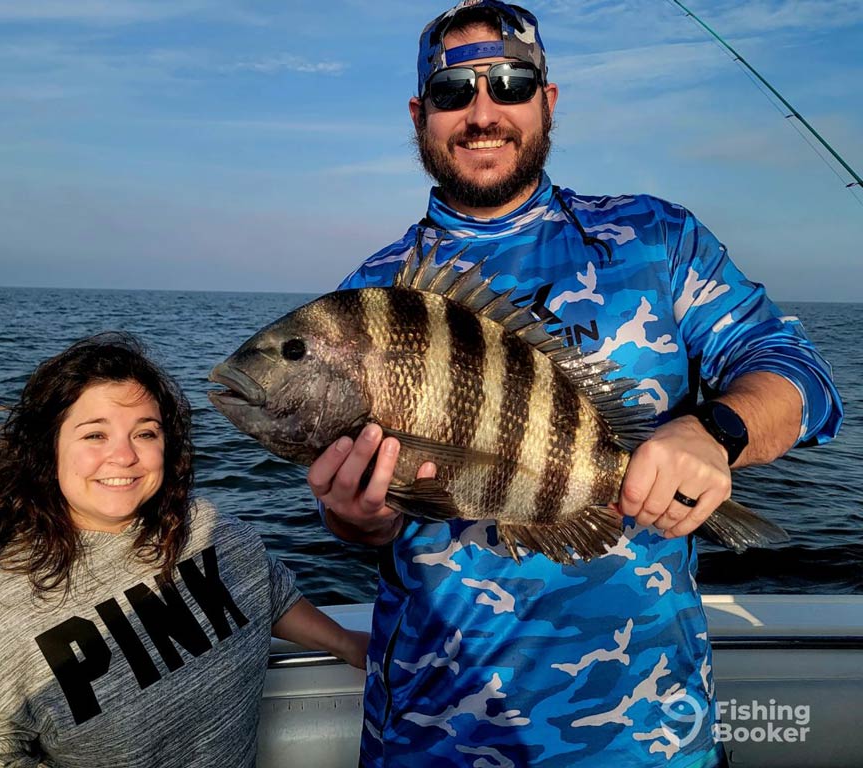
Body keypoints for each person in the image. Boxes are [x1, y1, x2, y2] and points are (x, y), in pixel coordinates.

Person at [306, 3, 843, 767]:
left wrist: (716, 432)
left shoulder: (655, 239)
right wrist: (356, 519)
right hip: (432, 739)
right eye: (454, 92)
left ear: (547, 101)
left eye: (510, 82)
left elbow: (799, 375)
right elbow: (354, 519)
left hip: (646, 734)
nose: (483, 111)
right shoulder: (371, 295)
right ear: (421, 114)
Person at [0, 332, 369, 768]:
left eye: (145, 433)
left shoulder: (209, 529)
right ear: (47, 450)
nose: (125, 456)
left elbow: (268, 592)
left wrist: (347, 643)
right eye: (95, 435)